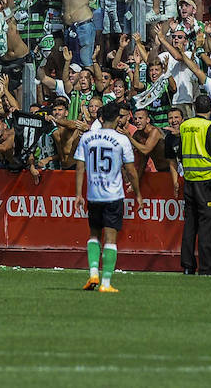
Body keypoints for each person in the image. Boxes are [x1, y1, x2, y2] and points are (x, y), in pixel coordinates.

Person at [74, 101, 142, 292]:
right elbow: (131, 170)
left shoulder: (87, 137)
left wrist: (79, 194)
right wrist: (137, 194)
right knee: (110, 239)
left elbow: (80, 166)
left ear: (101, 117)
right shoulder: (121, 140)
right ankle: (105, 283)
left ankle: (93, 273)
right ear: (118, 118)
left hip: (94, 195)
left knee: (94, 234)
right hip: (113, 195)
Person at [178, 93, 211, 276]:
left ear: (195, 108)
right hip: (207, 181)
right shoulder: (209, 126)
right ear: (210, 108)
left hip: (189, 180)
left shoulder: (185, 125)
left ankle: (188, 266)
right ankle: (206, 268)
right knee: (207, 226)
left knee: (190, 225)